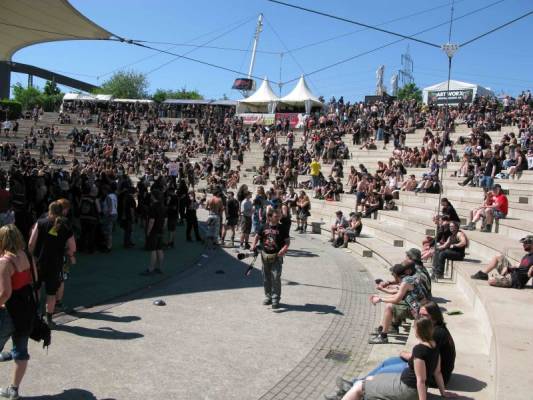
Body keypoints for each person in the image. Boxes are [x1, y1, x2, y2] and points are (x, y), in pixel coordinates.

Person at [330, 301, 456, 400]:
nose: (420, 317)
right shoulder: (431, 337)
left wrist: (404, 353)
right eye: (420, 314)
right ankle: (355, 384)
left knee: (382, 373)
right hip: (421, 371)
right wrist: (443, 393)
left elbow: (422, 375)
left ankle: (353, 387)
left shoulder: (435, 335)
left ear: (434, 317)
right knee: (388, 362)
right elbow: (430, 363)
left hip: (420, 378)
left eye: (424, 315)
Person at [0, 225, 36, 400]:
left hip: (9, 312)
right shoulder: (26, 255)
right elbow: (33, 279)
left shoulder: (5, 261)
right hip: (26, 309)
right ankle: (14, 389)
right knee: (21, 351)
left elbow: (5, 293)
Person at [28, 201, 75, 328]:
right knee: (51, 293)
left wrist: (31, 257)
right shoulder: (66, 225)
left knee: (36, 288)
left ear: (49, 210)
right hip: (56, 263)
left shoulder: (41, 223)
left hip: (39, 262)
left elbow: (31, 243)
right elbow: (73, 247)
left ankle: (36, 314)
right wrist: (69, 254)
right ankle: (49, 319)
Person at [370, 263, 430, 344]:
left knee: (389, 307)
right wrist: (380, 297)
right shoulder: (409, 279)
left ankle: (383, 337)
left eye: (392, 274)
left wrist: (380, 299)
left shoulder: (405, 283)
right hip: (417, 307)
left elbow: (396, 299)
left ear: (395, 275)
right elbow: (396, 295)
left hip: (417, 310)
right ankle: (383, 329)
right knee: (391, 305)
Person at [251, 209, 290, 310]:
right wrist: (253, 245)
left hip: (277, 257)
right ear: (270, 217)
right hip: (265, 256)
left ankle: (275, 298)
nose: (278, 218)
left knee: (276, 277)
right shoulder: (263, 227)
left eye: (279, 216)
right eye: (276, 216)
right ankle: (268, 296)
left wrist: (284, 249)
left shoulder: (282, 228)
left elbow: (287, 241)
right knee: (266, 277)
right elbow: (257, 236)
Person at [142, 190, 167, 275]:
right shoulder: (163, 206)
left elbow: (152, 220)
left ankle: (151, 269)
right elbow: (165, 220)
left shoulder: (153, 207)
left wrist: (148, 231)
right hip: (160, 230)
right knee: (159, 249)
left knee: (153, 250)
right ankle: (159, 267)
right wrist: (163, 228)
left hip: (154, 230)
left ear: (153, 196)